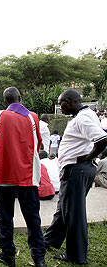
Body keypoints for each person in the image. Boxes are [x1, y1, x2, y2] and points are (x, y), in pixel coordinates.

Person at [43, 89, 107, 265]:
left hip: (77, 169)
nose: (60, 107)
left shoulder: (83, 117)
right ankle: (49, 240)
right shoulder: (85, 115)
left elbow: (102, 138)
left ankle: (76, 255)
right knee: (64, 208)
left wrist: (89, 156)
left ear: (69, 102)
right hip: (76, 169)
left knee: (73, 212)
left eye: (61, 103)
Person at [0, 87, 46, 267]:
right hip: (27, 175)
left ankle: (8, 254)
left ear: (6, 101)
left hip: (5, 174)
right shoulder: (33, 117)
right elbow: (38, 145)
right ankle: (39, 259)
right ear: (20, 98)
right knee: (33, 217)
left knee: (5, 216)